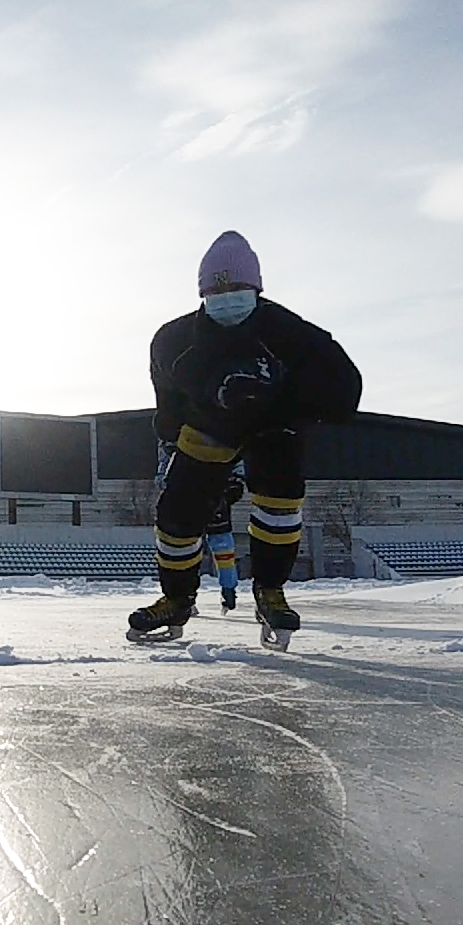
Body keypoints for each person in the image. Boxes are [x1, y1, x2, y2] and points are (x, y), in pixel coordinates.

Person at [131, 230, 362, 651]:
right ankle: (176, 597)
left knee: (280, 493)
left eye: (237, 288)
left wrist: (284, 399)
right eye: (217, 289)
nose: (227, 296)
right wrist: (173, 439)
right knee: (177, 512)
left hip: (274, 426)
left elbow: (344, 390)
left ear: (256, 289)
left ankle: (270, 589)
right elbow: (168, 401)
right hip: (209, 428)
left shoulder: (292, 334)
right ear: (203, 293)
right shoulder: (173, 341)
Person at [156, 442, 246, 611]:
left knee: (219, 545)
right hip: (191, 494)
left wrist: (236, 483)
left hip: (214, 493)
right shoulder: (174, 434)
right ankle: (186, 594)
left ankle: (226, 590)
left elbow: (237, 454)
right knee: (191, 548)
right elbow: (165, 461)